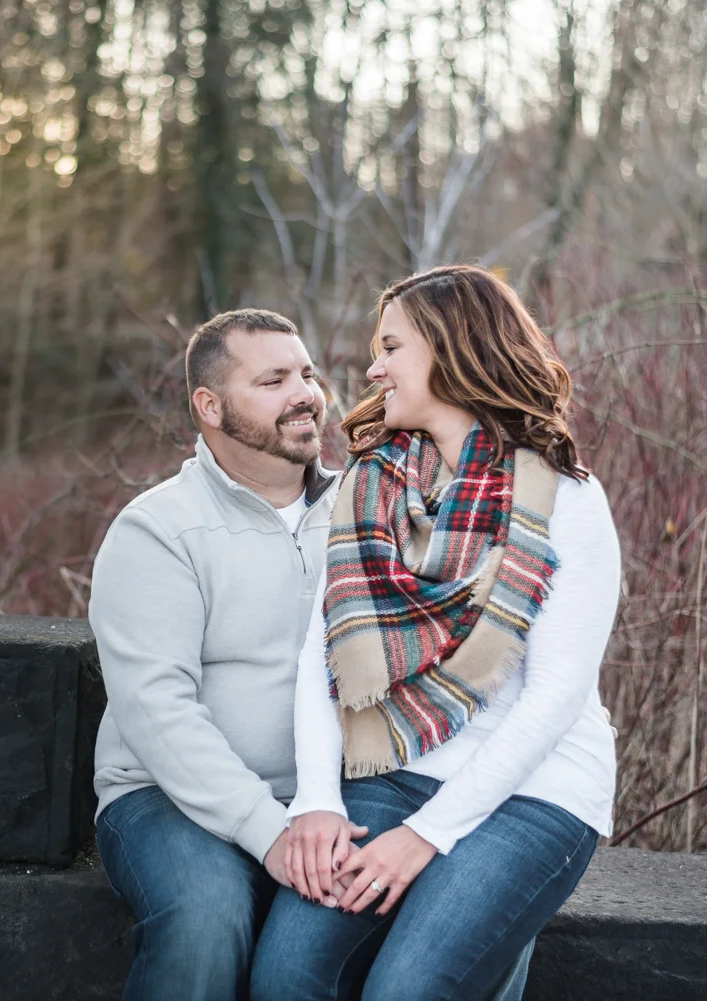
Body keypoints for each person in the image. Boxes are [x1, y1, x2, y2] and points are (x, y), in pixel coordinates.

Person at [250, 265, 622, 1001]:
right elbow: (322, 654)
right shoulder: (370, 486)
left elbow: (553, 697)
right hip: (393, 765)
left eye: (391, 347)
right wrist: (318, 799)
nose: (374, 369)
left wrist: (427, 835)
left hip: (535, 790)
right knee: (287, 977)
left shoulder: (566, 500)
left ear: (453, 351)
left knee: (408, 989)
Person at [88, 308, 362, 1001]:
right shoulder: (159, 529)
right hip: (166, 798)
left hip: (333, 797)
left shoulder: (363, 510)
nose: (305, 394)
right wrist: (270, 833)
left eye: (306, 374)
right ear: (209, 407)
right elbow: (157, 711)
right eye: (273, 381)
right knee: (205, 918)